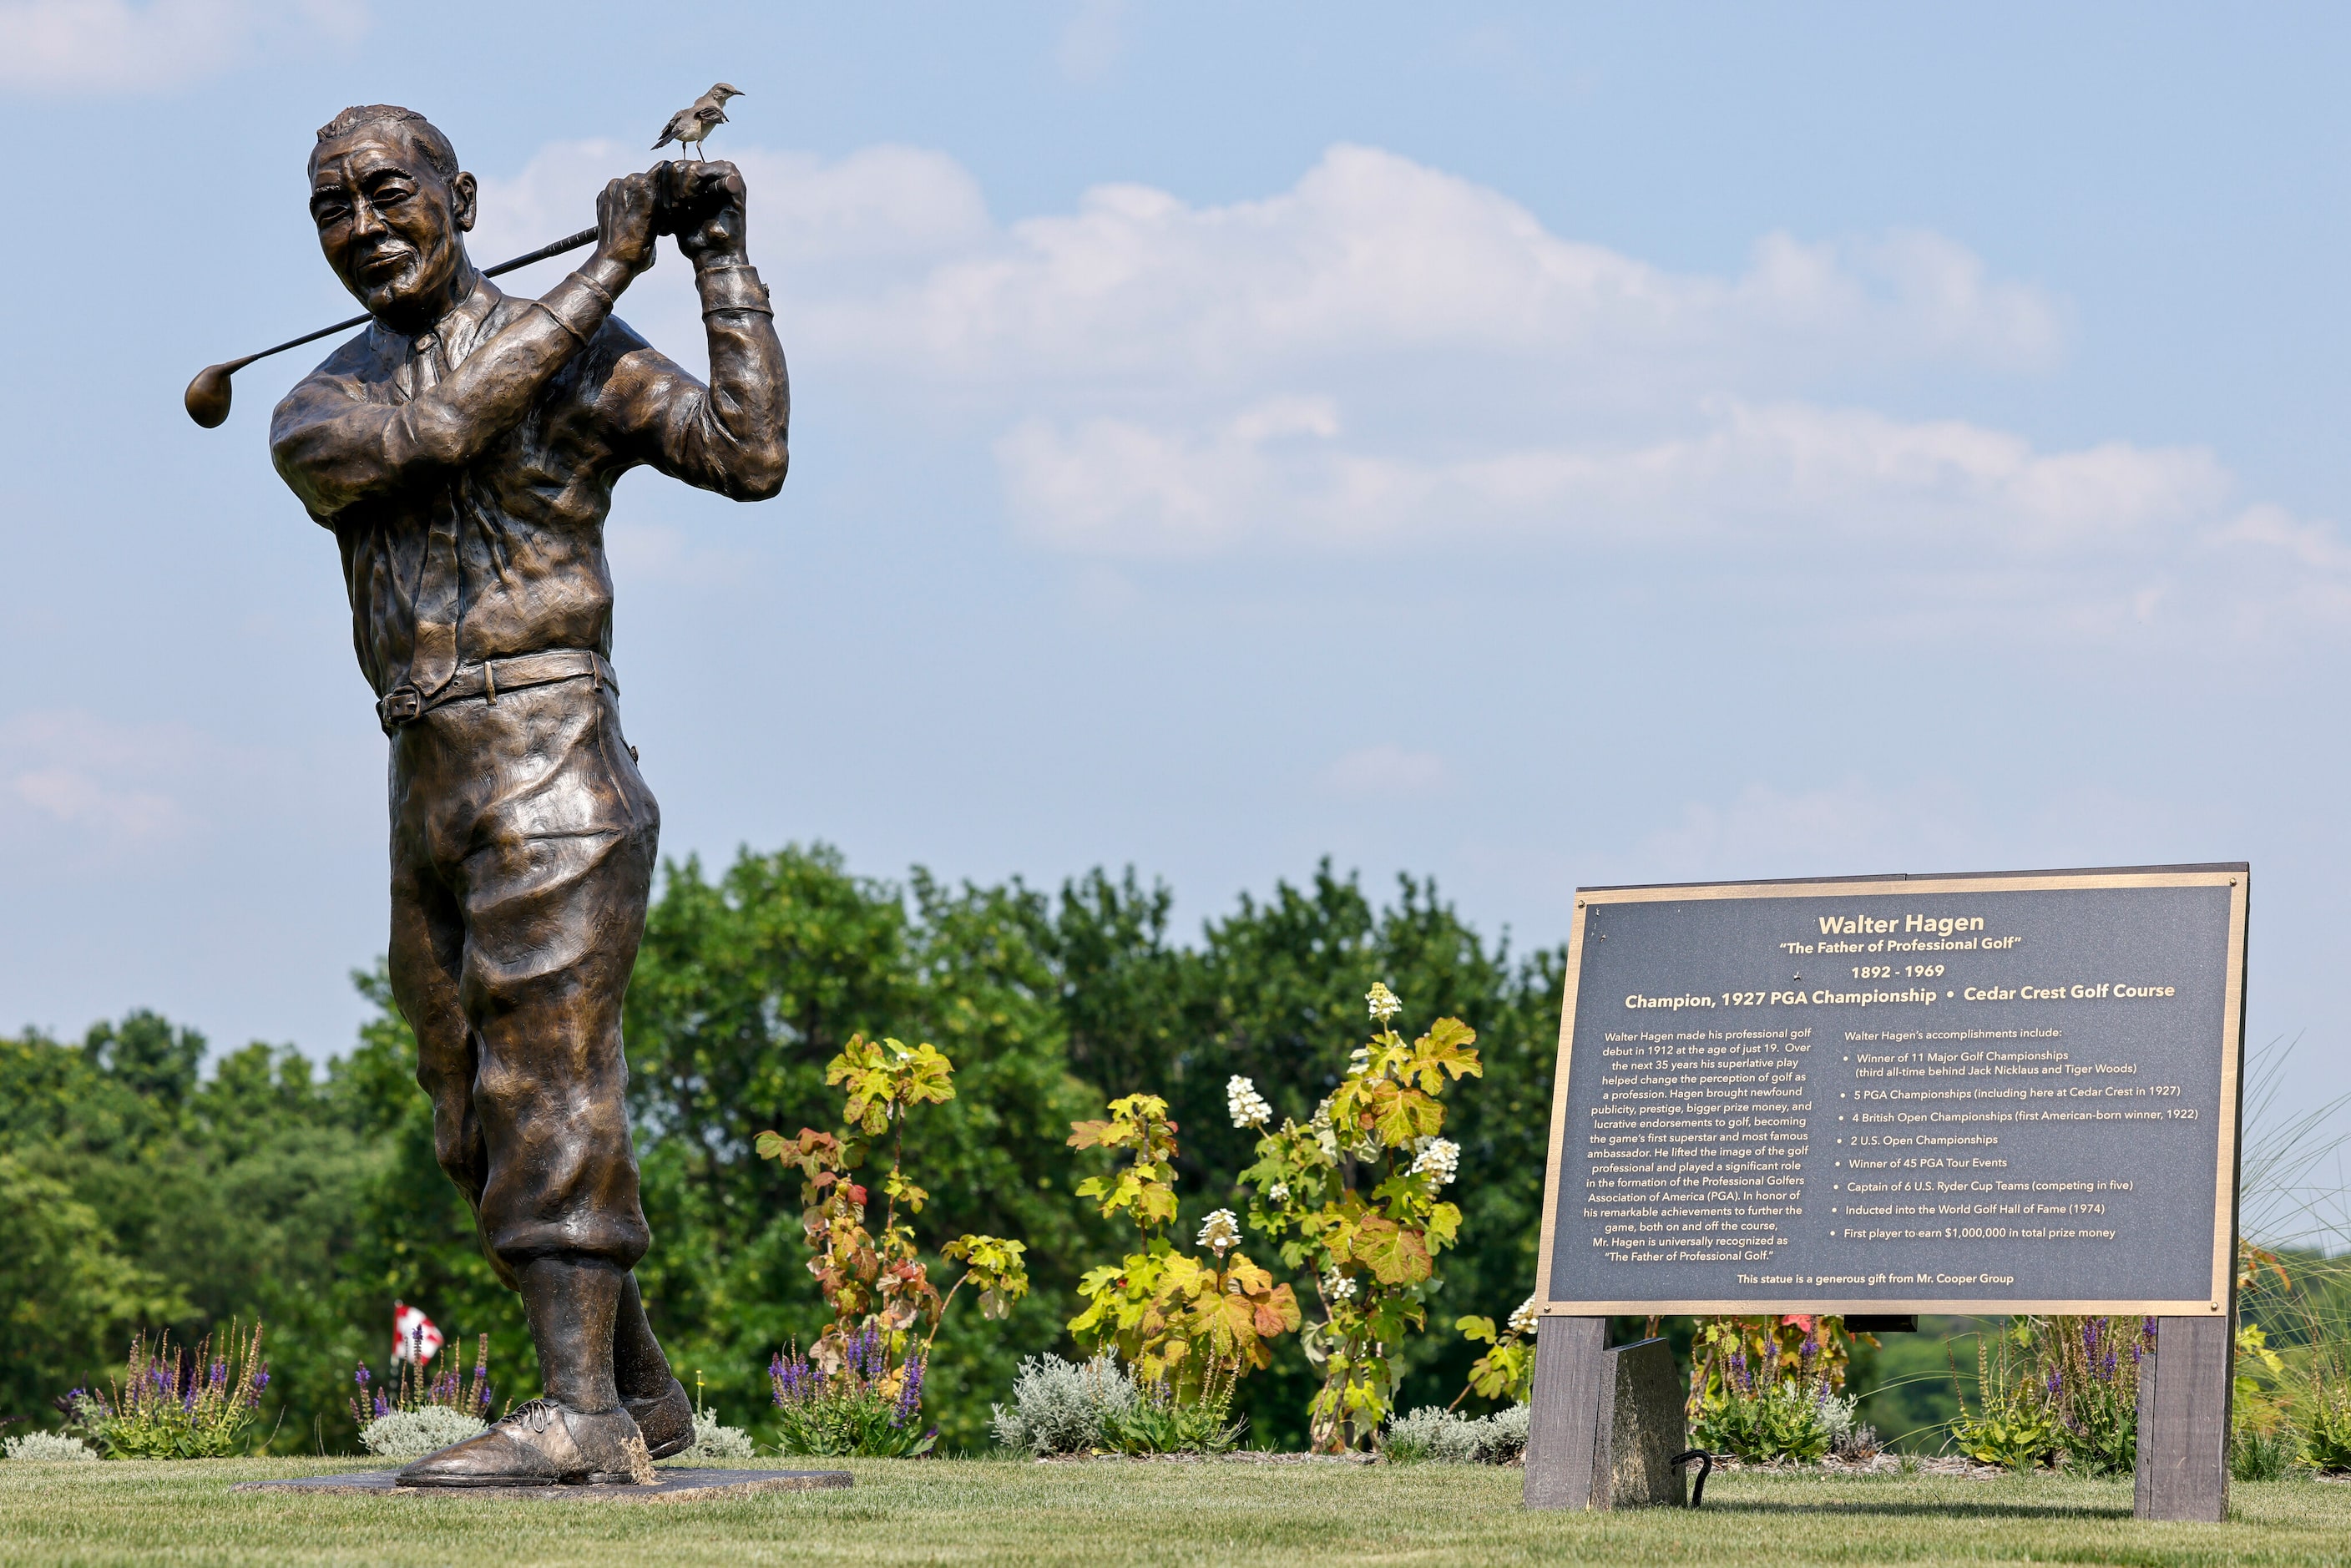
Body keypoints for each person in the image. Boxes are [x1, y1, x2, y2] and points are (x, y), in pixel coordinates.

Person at [270, 104, 788, 1485]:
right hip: (424, 773)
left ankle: (579, 1414)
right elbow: (439, 430)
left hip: (554, 747)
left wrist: (721, 268)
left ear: (466, 198)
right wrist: (606, 270)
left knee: (551, 1078)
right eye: (334, 207)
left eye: (391, 192)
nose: (366, 226)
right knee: (470, 1113)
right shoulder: (322, 403)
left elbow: (749, 453)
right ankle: (640, 1395)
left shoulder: (579, 352)